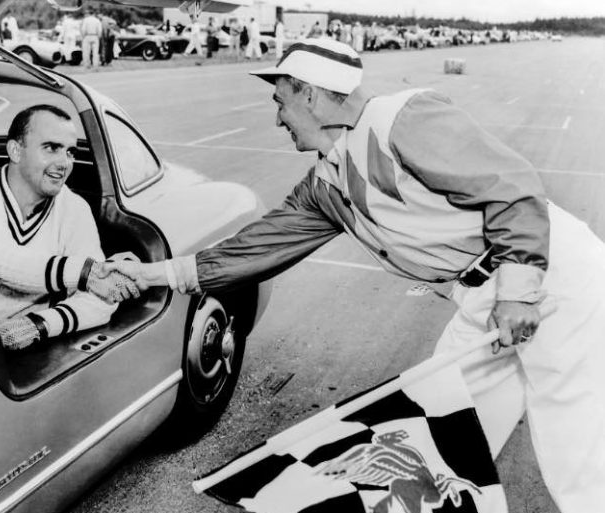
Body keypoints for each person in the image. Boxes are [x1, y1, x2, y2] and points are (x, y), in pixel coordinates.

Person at [105, 38, 605, 512]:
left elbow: (513, 190)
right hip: (483, 296)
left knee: (574, 450)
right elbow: (249, 250)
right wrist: (152, 274)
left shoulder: (402, 120)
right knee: (441, 434)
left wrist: (520, 291)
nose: (277, 117)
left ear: (312, 95)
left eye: (281, 101)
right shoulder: (327, 181)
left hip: (550, 278)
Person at [0, 105, 139, 351]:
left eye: (70, 152)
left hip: (27, 345)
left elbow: (102, 299)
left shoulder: (74, 208)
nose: (64, 163)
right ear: (15, 150)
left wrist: (39, 325)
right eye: (51, 148)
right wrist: (87, 272)